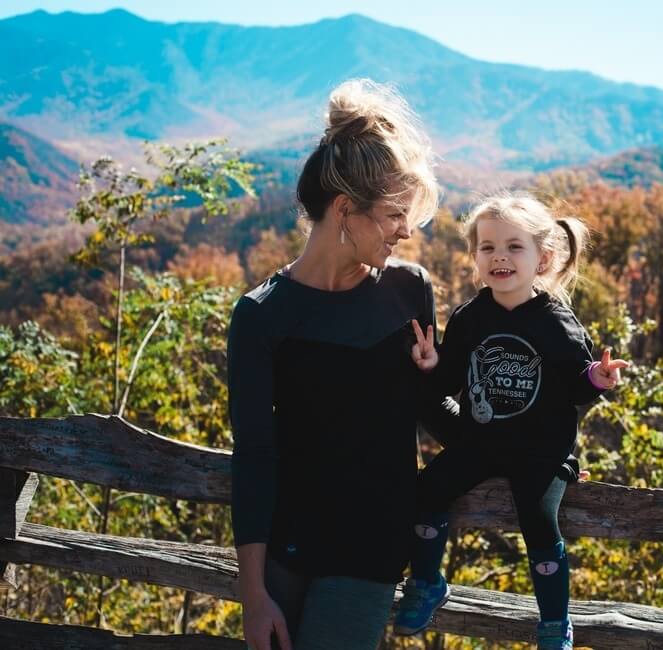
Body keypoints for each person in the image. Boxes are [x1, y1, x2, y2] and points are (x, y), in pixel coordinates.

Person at [227, 78, 441, 650]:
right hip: (282, 554)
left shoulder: (409, 293)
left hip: (369, 555)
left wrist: (541, 444)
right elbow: (253, 455)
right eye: (394, 214)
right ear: (345, 209)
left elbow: (440, 421)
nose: (406, 230)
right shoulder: (261, 315)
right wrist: (253, 593)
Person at [396, 194, 628, 649]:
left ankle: (554, 622)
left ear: (542, 259)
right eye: (487, 247)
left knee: (539, 520)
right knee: (428, 489)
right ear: (476, 258)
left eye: (513, 247)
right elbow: (449, 381)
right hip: (480, 441)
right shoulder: (470, 318)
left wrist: (597, 378)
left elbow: (576, 389)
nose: (499, 256)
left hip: (539, 450)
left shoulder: (556, 324)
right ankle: (426, 582)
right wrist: (429, 366)